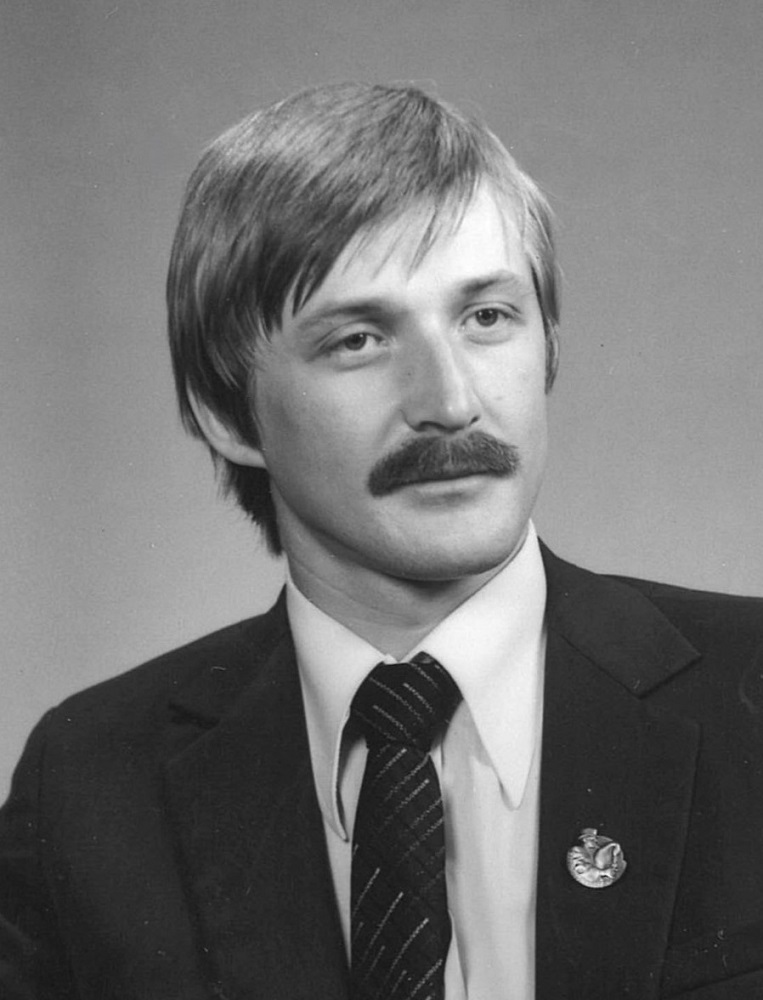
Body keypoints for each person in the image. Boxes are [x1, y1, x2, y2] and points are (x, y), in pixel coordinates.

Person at [1, 82, 761, 1000]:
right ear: (227, 414)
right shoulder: (87, 782)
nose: (450, 401)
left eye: (486, 317)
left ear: (549, 348)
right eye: (358, 340)